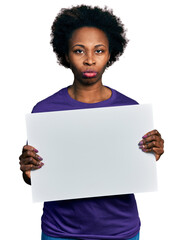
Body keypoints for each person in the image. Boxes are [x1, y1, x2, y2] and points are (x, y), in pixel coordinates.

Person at [19, 5, 164, 240]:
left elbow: (136, 168)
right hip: (60, 231)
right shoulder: (44, 110)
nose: (89, 60)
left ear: (110, 54)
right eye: (79, 51)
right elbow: (35, 177)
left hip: (120, 231)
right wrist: (27, 170)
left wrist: (152, 152)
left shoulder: (130, 110)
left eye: (98, 51)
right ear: (65, 54)